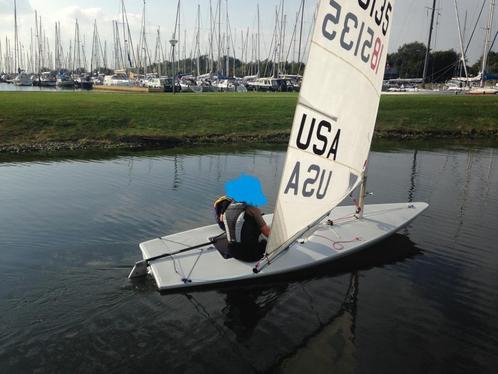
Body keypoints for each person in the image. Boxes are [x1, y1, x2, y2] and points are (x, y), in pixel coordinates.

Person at [214, 197, 270, 262]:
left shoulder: (227, 208)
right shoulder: (252, 208)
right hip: (251, 255)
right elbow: (267, 232)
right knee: (265, 242)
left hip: (232, 252)